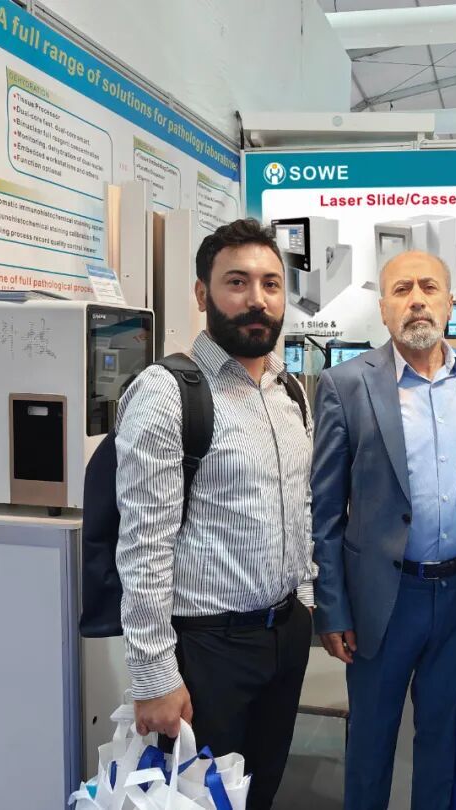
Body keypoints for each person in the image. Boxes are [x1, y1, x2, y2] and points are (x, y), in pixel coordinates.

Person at [115, 218, 314, 810]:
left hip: (283, 636)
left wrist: (304, 597)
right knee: (199, 801)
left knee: (259, 793)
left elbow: (299, 504)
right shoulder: (168, 391)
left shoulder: (290, 392)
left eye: (271, 284)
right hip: (207, 650)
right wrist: (154, 674)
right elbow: (143, 545)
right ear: (202, 294)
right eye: (237, 282)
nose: (258, 299)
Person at [311, 250, 456, 810]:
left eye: (429, 287)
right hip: (383, 600)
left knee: (443, 737)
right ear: (384, 309)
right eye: (401, 289)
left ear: (449, 303)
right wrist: (332, 609)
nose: (416, 300)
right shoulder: (345, 384)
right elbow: (324, 512)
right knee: (371, 740)